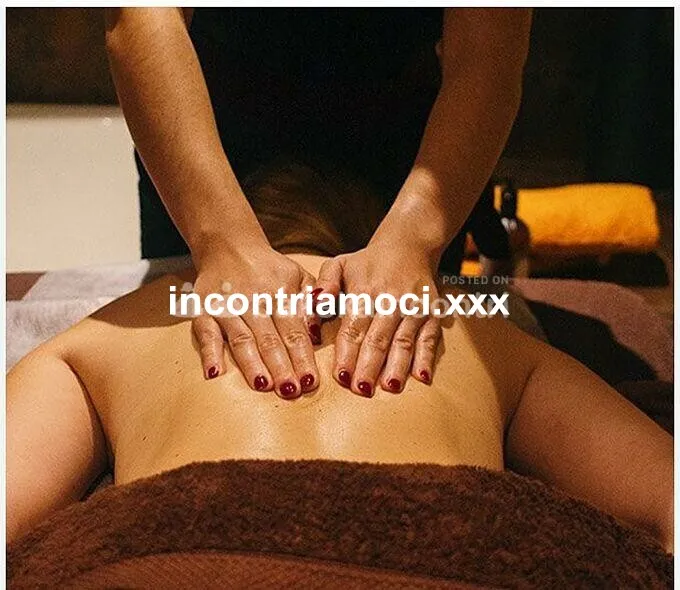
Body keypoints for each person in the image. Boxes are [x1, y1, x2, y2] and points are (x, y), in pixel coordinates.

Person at [7, 164, 672, 553]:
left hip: (183, 557)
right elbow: (666, 500)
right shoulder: (477, 328)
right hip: (444, 558)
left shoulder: (119, 329)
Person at [104, 8, 531, 396]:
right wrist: (218, 238)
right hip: (203, 130)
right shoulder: (511, 356)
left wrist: (415, 238)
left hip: (405, 138)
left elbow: (486, 50)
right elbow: (142, 15)